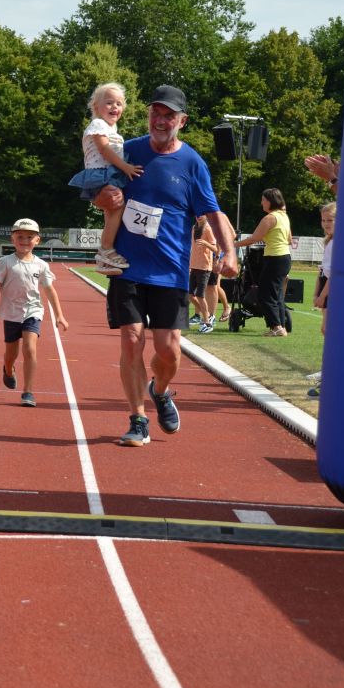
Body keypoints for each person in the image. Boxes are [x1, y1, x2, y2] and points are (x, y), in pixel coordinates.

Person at [93, 85, 237, 446]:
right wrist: (102, 198)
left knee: (168, 351)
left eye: (168, 116)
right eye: (155, 113)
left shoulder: (192, 163)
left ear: (182, 122)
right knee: (131, 339)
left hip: (170, 270)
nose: (160, 120)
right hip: (127, 265)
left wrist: (229, 253)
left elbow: (213, 213)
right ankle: (137, 419)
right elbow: (98, 192)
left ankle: (159, 389)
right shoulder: (128, 150)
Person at [0, 217, 69, 407]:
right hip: (11, 313)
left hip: (33, 311)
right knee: (11, 354)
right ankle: (8, 369)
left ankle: (28, 392)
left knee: (30, 349)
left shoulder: (41, 265)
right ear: (12, 239)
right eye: (20, 236)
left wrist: (59, 315)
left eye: (29, 237)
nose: (24, 240)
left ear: (37, 240)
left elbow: (49, 290)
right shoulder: (6, 262)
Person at [68, 83, 143, 274]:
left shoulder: (112, 128)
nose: (114, 107)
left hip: (109, 173)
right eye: (109, 102)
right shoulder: (98, 124)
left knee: (113, 210)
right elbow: (104, 149)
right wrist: (125, 167)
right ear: (96, 106)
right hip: (101, 173)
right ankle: (106, 249)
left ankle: (105, 257)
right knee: (117, 206)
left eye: (119, 104)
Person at [235, 188, 293, 337]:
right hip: (285, 258)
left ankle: (276, 327)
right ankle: (281, 327)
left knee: (264, 294)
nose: (261, 203)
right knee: (277, 295)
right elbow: (289, 240)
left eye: (263, 200)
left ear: (269, 201)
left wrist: (232, 244)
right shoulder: (284, 216)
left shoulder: (269, 218)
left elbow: (254, 238)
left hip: (275, 258)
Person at [308, 200, 336, 398]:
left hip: (333, 290)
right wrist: (316, 293)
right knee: (326, 330)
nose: (326, 224)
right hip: (326, 286)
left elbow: (333, 273)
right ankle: (328, 372)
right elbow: (323, 271)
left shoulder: (338, 243)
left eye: (330, 220)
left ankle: (330, 375)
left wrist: (323, 295)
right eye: (323, 220)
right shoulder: (329, 241)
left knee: (331, 332)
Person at [188, 216, 217, 333]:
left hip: (204, 267)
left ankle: (207, 322)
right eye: (197, 214)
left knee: (200, 295)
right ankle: (207, 315)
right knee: (189, 294)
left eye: (202, 214)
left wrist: (206, 243)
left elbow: (216, 249)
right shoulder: (194, 228)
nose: (199, 216)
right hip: (194, 265)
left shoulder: (208, 228)